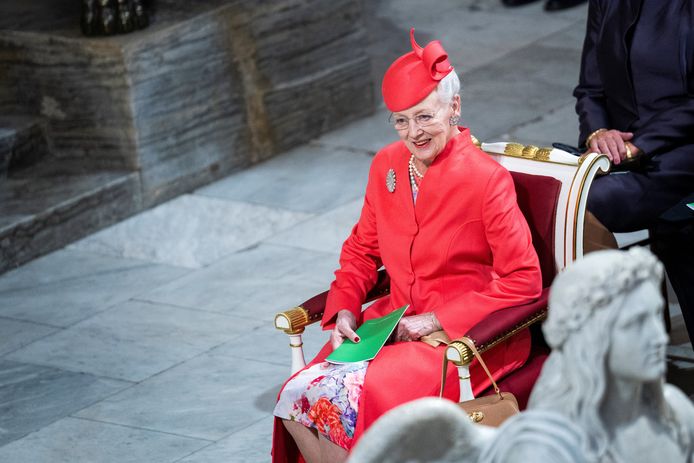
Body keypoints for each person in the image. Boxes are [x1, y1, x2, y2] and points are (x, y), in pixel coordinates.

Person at [271, 29, 542, 463]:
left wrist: (436, 319)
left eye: (424, 117)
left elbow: (524, 281)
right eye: (401, 120)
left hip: (463, 341)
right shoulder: (386, 166)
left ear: (454, 108)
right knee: (297, 396)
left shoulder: (487, 181)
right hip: (388, 326)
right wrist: (344, 305)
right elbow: (362, 250)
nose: (413, 133)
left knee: (356, 398)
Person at [574, 0, 694, 343]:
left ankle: (617, 345)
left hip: (680, 153)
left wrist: (639, 145)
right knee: (553, 197)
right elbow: (590, 89)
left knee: (584, 205)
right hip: (613, 153)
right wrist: (598, 133)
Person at [528, 248, 694, 462]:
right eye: (636, 323)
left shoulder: (676, 414)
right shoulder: (551, 448)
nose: (660, 338)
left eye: (656, 315)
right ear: (592, 339)